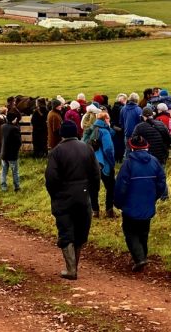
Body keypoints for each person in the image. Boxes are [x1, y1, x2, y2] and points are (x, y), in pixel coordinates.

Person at [45, 120, 100, 281]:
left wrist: (55, 195)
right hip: (83, 196)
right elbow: (96, 173)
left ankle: (71, 269)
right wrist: (92, 193)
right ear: (76, 132)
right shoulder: (87, 148)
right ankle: (74, 266)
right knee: (80, 232)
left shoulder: (56, 152)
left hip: (63, 197)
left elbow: (51, 178)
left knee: (66, 231)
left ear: (62, 134)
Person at [114, 134, 166, 272]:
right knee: (143, 231)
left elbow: (121, 186)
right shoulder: (154, 161)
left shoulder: (128, 164)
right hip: (147, 204)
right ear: (146, 146)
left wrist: (118, 202)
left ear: (132, 147)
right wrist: (154, 197)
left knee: (130, 232)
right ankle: (143, 255)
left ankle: (139, 258)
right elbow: (161, 182)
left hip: (130, 205)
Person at [132, 106, 171, 199]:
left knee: (147, 176)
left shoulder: (139, 127)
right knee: (161, 176)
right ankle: (164, 195)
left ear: (143, 116)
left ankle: (149, 195)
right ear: (152, 115)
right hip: (161, 155)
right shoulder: (161, 124)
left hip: (146, 156)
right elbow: (169, 139)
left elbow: (133, 140)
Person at [86, 110, 116, 218]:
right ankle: (109, 210)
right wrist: (112, 162)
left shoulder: (91, 129)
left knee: (93, 188)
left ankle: (95, 211)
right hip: (103, 164)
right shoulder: (104, 131)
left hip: (91, 163)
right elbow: (108, 149)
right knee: (111, 187)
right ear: (106, 119)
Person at [0, 110, 23, 192]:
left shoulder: (3, 126)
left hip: (4, 152)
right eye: (15, 119)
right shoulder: (15, 128)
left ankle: (3, 187)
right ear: (13, 119)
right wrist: (17, 149)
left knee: (4, 171)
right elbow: (19, 142)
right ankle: (17, 187)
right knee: (15, 172)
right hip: (12, 154)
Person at [110, 93, 128, 163]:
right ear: (123, 100)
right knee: (121, 144)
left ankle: (116, 157)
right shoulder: (122, 108)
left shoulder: (114, 107)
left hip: (114, 127)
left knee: (116, 143)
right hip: (121, 128)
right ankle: (120, 158)